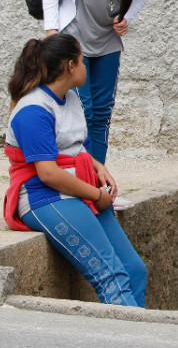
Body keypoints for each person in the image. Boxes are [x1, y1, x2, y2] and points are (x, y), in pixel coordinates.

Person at [3, 34, 146, 306]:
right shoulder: (33, 109)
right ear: (70, 66)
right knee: (111, 277)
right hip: (44, 196)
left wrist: (98, 167)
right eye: (82, 60)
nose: (85, 66)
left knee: (133, 270)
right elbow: (48, 173)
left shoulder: (69, 97)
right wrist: (95, 194)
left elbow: (76, 146)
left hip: (77, 192)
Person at [42, 0, 157, 211]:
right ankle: (81, 184)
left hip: (107, 43)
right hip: (74, 39)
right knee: (84, 109)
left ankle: (101, 186)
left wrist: (126, 17)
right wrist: (52, 31)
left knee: (102, 113)